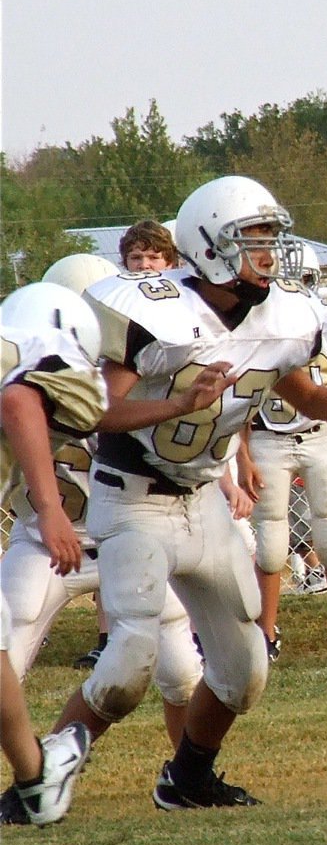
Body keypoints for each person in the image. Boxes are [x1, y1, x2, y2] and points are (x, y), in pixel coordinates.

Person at [44, 174, 327, 811]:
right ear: (210, 245)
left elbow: (311, 396)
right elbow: (92, 412)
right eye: (255, 239)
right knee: (128, 663)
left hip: (204, 496)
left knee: (245, 670)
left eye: (271, 238)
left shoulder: (285, 314)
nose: (271, 253)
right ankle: (40, 776)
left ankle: (187, 779)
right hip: (132, 496)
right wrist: (178, 403)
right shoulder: (150, 310)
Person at [0, 256, 201, 771]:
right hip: (46, 544)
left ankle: (188, 772)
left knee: (180, 670)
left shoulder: (144, 375)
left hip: (125, 535)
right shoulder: (39, 370)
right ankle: (33, 775)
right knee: (9, 651)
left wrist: (180, 407)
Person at [0, 281, 106, 825]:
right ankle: (38, 779)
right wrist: (48, 507)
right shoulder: (43, 351)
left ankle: (36, 779)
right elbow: (19, 400)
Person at [238, 243, 327, 660]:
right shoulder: (252, 320)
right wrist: (242, 454)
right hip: (268, 438)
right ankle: (266, 633)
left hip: (320, 434)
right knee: (272, 543)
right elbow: (241, 399)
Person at [71, 227, 179, 670]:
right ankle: (113, 634)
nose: (146, 266)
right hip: (124, 439)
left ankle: (186, 635)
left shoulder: (186, 308)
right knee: (118, 544)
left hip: (183, 443)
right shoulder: (112, 307)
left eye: (155, 257)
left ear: (171, 262)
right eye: (137, 258)